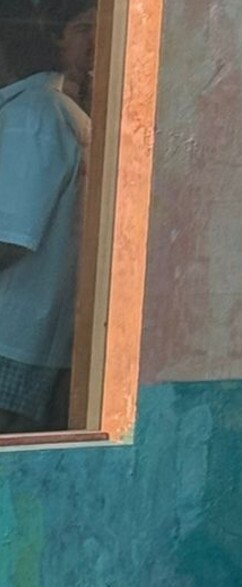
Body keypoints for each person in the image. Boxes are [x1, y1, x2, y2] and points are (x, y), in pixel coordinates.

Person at [0, 0, 91, 433]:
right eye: (84, 29)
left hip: (10, 341)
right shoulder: (46, 107)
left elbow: (10, 237)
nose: (94, 44)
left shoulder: (30, 115)